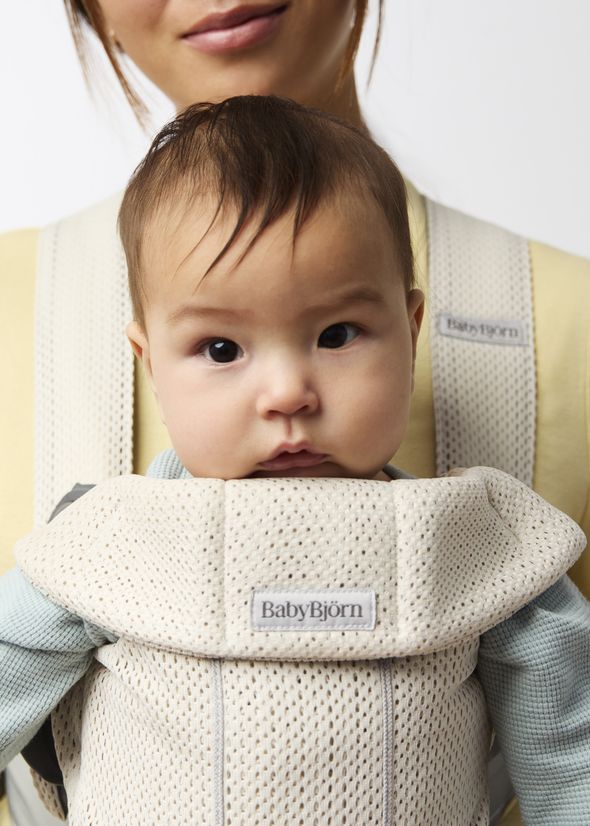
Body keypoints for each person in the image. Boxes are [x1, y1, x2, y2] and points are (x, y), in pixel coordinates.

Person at [1, 2, 589, 824]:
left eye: (337, 334)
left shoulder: (476, 535)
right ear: (147, 360)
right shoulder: (109, 538)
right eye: (219, 351)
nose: (287, 394)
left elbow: (568, 749)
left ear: (411, 329)